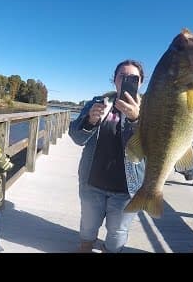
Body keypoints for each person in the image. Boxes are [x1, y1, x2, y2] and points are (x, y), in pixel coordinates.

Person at [68, 59, 146, 253]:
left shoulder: (150, 109)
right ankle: (85, 247)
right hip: (92, 182)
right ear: (115, 80)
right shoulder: (97, 103)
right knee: (88, 226)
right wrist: (90, 121)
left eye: (133, 78)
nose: (127, 80)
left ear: (141, 82)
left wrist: (136, 119)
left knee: (118, 232)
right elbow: (77, 138)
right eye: (122, 76)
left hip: (128, 188)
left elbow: (153, 146)